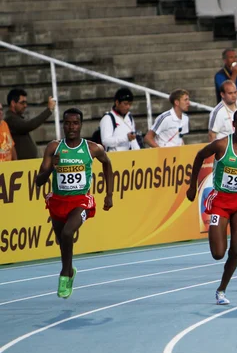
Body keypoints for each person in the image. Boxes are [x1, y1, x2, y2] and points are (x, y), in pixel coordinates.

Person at [186, 108, 237, 305]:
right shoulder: (222, 145)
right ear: (234, 125)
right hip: (221, 201)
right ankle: (218, 242)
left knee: (236, 249)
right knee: (218, 253)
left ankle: (221, 290)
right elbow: (199, 156)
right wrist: (192, 186)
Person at [35, 108, 114, 298]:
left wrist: (109, 194)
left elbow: (107, 164)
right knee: (62, 241)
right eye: (68, 123)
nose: (71, 127)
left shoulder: (92, 148)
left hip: (81, 200)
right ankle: (70, 270)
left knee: (68, 232)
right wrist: (52, 168)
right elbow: (39, 181)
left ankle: (64, 274)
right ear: (63, 125)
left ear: (81, 125)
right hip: (58, 200)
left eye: (75, 123)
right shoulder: (54, 148)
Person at [4, 89, 56, 160]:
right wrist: (48, 110)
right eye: (22, 103)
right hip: (22, 166)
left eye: (26, 103)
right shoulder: (10, 119)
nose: (25, 105)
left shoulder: (16, 118)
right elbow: (28, 125)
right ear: (13, 103)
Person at [100, 87, 141, 152]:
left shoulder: (129, 118)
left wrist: (139, 152)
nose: (128, 107)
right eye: (125, 104)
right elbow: (105, 141)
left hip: (128, 156)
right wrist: (126, 138)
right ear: (117, 103)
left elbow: (133, 139)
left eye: (130, 104)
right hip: (114, 157)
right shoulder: (108, 118)